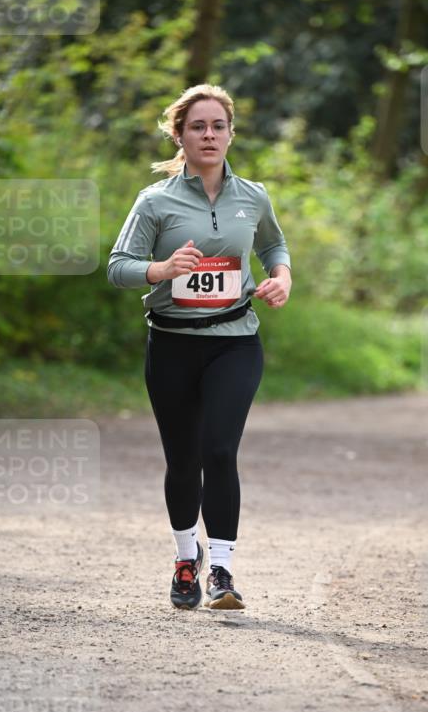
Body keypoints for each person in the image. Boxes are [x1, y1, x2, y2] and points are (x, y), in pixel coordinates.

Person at [107, 84, 291, 610]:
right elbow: (118, 266)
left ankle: (224, 573)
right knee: (183, 460)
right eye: (197, 127)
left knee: (219, 450)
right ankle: (187, 559)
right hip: (171, 345)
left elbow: (272, 243)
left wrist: (282, 276)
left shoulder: (252, 196)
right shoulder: (155, 201)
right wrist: (161, 270)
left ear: (231, 134)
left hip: (235, 341)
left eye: (218, 126)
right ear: (179, 136)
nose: (208, 135)